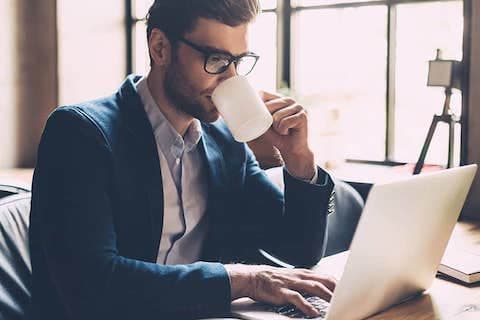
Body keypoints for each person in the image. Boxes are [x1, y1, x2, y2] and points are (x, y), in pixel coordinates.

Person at [29, 0, 337, 319]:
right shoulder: (81, 135)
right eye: (216, 60)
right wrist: (244, 280)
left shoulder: (224, 141)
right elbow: (92, 286)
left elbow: (299, 250)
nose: (230, 79)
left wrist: (298, 159)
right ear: (160, 48)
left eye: (238, 62)